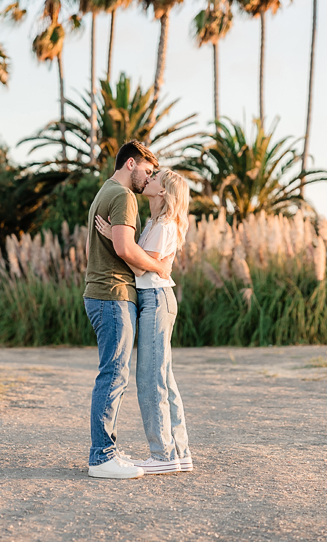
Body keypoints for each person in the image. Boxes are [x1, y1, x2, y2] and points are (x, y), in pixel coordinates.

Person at [83, 140, 174, 480]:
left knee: (112, 373)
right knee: (114, 375)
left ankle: (106, 451)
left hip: (102, 293)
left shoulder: (104, 192)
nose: (148, 178)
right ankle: (102, 456)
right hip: (113, 294)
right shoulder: (123, 197)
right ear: (131, 164)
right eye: (148, 171)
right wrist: (158, 266)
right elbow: (123, 247)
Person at [94, 168, 193, 475]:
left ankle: (162, 455)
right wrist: (157, 264)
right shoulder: (155, 223)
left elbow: (140, 269)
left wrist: (115, 238)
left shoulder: (163, 225)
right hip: (156, 299)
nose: (147, 180)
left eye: (154, 179)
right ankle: (179, 452)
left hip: (155, 300)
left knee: (151, 378)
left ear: (162, 192)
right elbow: (154, 265)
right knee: (163, 377)